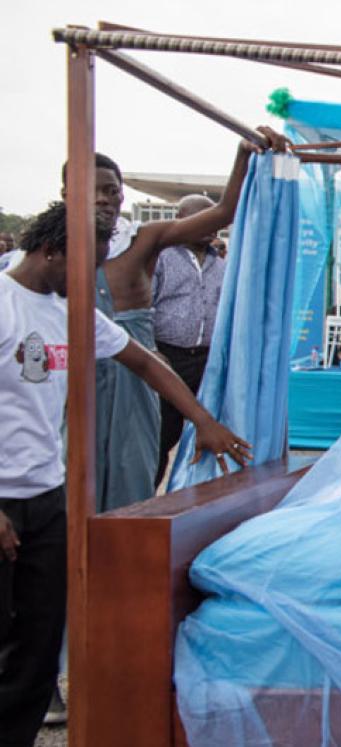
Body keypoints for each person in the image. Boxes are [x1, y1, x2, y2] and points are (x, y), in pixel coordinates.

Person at [0, 202, 249, 747]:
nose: (92, 282)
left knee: (38, 645)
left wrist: (202, 420)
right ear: (50, 251)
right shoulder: (4, 307)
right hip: (1, 500)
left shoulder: (72, 311)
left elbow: (144, 361)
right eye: (83, 267)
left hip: (46, 495)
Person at [72, 129, 285, 512]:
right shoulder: (48, 255)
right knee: (70, 469)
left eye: (111, 190)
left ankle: (120, 559)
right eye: (93, 190)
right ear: (67, 194)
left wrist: (241, 156)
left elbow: (223, 213)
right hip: (74, 372)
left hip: (137, 374)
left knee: (131, 468)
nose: (103, 198)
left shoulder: (141, 239)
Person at [150, 196, 226, 489]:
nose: (210, 225)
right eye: (202, 217)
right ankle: (147, 501)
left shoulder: (219, 264)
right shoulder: (160, 257)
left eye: (214, 218)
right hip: (167, 358)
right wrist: (153, 351)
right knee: (161, 436)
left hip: (206, 360)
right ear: (181, 217)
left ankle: (199, 498)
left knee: (208, 432)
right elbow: (146, 307)